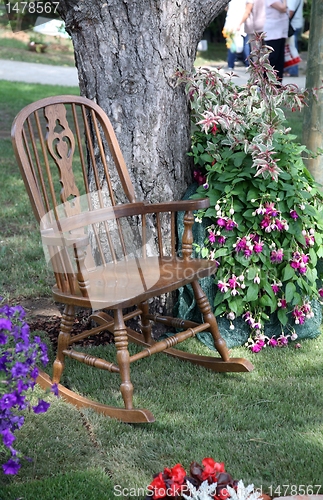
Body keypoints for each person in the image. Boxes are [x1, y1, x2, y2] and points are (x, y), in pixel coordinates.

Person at [263, 0, 289, 81]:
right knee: (273, 58)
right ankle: (266, 81)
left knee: (280, 59)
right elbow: (283, 8)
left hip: (281, 31)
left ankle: (278, 83)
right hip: (273, 33)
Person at [223, 0, 250, 71]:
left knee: (231, 45)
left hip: (230, 23)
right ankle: (247, 63)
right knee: (245, 44)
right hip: (241, 22)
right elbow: (247, 11)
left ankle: (231, 65)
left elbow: (225, 8)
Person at [285, 0, 304, 76]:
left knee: (292, 48)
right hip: (296, 23)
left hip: (293, 25)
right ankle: (291, 69)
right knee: (292, 47)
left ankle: (293, 70)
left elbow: (290, 11)